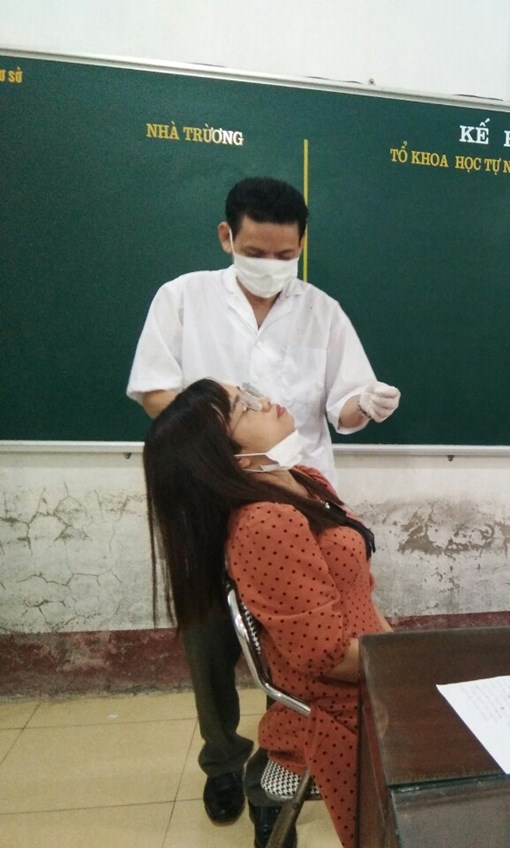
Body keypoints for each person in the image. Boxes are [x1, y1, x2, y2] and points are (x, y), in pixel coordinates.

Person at [126, 177, 400, 830]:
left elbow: (342, 405)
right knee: (212, 640)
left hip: (298, 491)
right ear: (227, 237)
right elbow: (157, 394)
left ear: (301, 244)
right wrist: (225, 441)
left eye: (285, 255)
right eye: (256, 252)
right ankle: (225, 761)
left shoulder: (322, 311)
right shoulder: (182, 298)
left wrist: (362, 406)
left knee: (298, 641)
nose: (272, 265)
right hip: (215, 497)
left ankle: (285, 757)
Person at [144, 379, 391, 848]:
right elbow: (328, 656)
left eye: (249, 392)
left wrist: (402, 650)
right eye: (244, 407)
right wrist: (407, 664)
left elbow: (359, 593)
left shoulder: (303, 479)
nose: (265, 402)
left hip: (374, 664)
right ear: (224, 456)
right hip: (342, 702)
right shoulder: (266, 522)